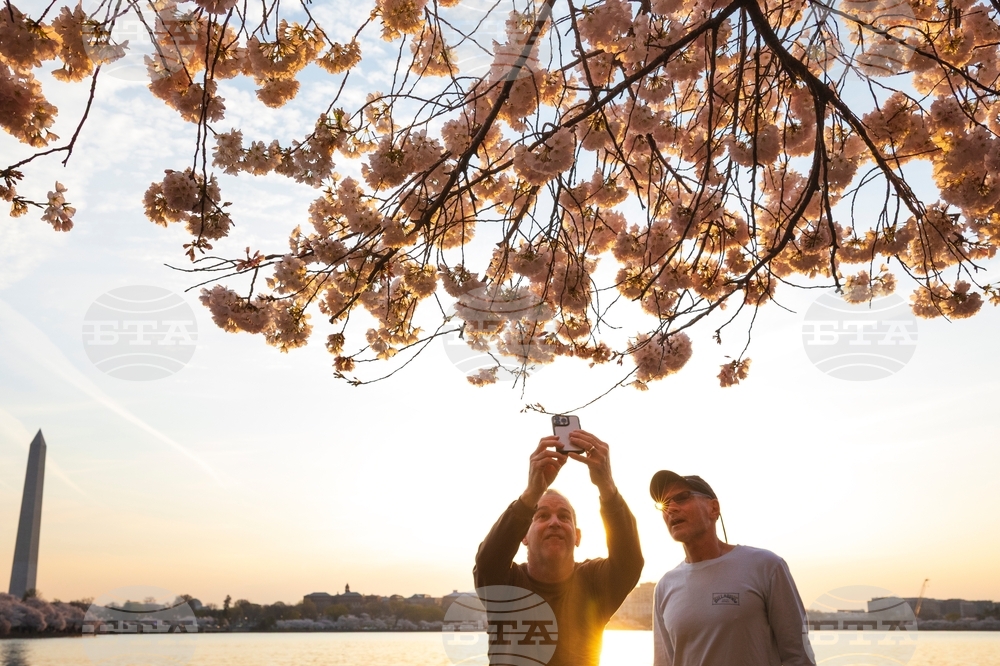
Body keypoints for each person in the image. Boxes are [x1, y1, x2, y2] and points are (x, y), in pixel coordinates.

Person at [474, 431, 644, 666]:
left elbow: (629, 561)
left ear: (577, 536)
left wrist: (607, 485)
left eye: (564, 517)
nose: (554, 522)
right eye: (542, 515)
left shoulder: (594, 583)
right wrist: (531, 493)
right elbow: (487, 561)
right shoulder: (506, 586)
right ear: (523, 535)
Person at [649, 470, 815, 666]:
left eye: (682, 498)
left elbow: (798, 656)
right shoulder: (665, 587)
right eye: (664, 504)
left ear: (713, 508)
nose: (671, 509)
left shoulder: (766, 566)